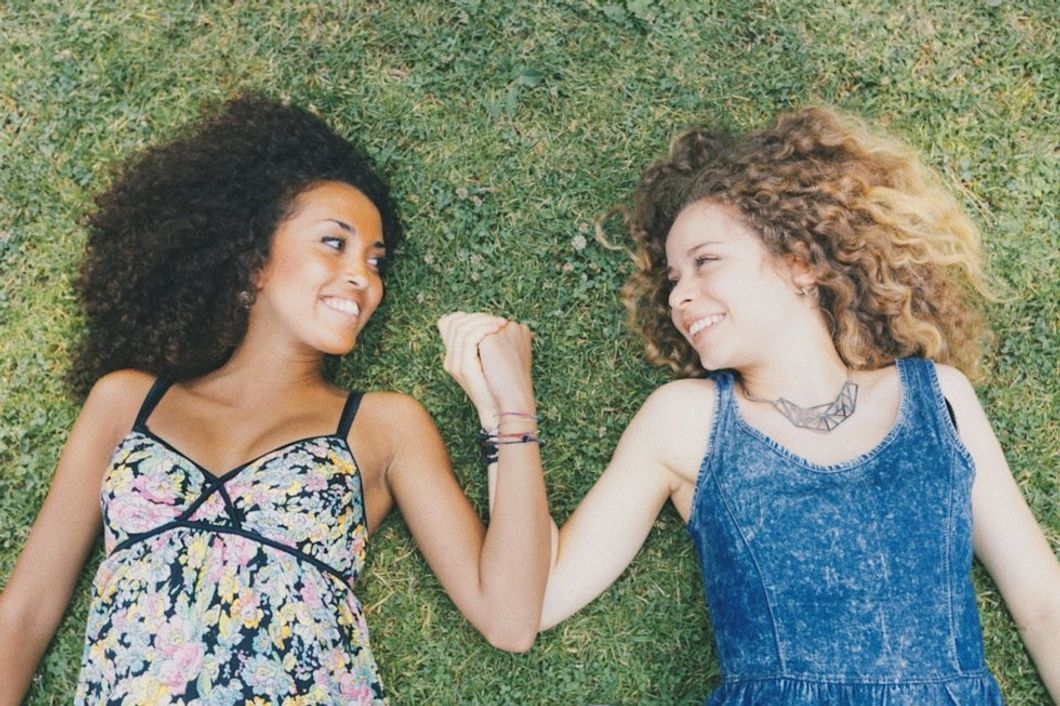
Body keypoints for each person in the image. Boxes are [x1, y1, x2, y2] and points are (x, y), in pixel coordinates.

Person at [443, 107, 1060, 704]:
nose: (682, 296)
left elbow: (1039, 600)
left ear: (799, 264)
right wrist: (509, 415)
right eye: (673, 279)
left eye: (705, 261)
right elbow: (531, 603)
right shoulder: (686, 422)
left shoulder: (938, 397)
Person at [0, 95, 550, 705]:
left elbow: (509, 618)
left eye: (375, 261)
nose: (364, 278)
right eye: (334, 243)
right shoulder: (127, 403)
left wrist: (513, 408)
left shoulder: (383, 426)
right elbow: (25, 610)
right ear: (254, 257)